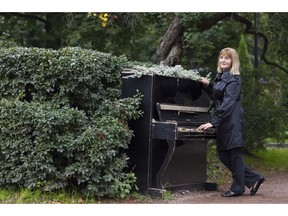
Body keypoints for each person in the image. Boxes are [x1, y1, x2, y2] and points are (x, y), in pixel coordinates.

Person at [197, 47, 265, 197]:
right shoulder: (221, 78)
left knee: (234, 154)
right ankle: (254, 178)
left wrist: (213, 122)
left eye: (227, 58)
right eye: (221, 57)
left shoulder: (234, 80)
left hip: (232, 120)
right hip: (225, 121)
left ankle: (238, 187)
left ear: (233, 61)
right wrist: (208, 85)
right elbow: (218, 97)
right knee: (223, 154)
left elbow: (227, 103)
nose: (223, 60)